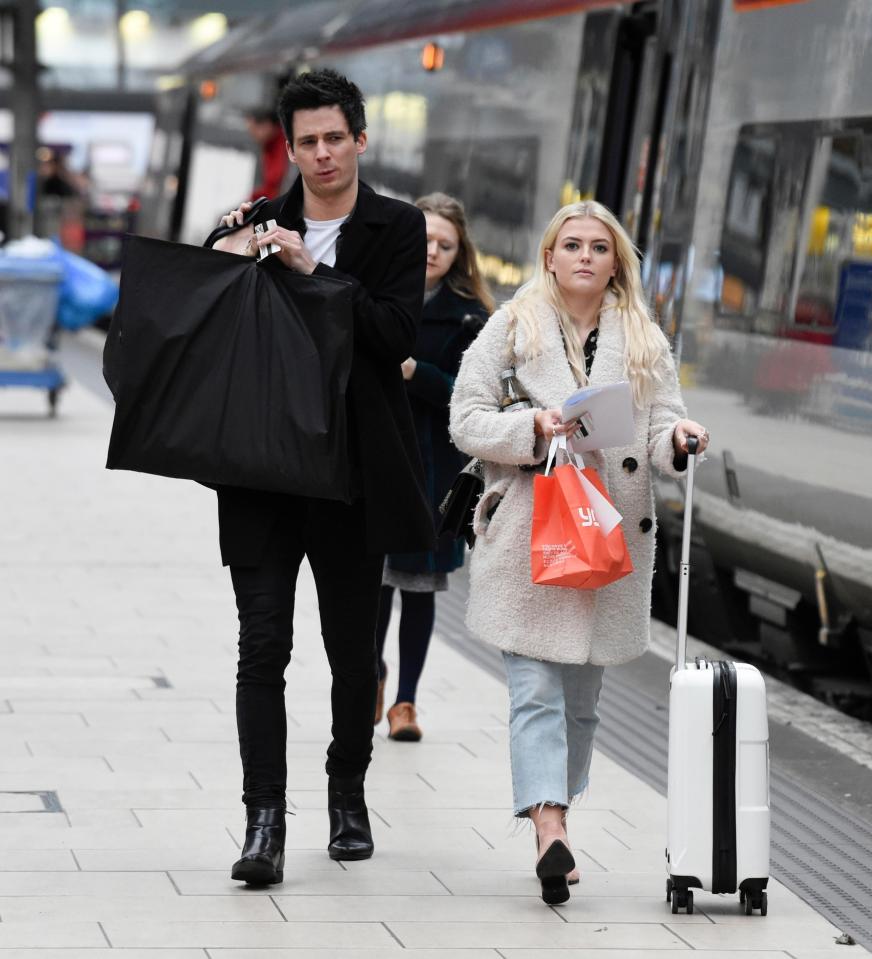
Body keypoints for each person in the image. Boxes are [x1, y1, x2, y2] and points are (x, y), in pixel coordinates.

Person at [449, 200, 709, 905]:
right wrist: (531, 426)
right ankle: (549, 826)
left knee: (581, 704)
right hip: (532, 537)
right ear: (549, 257)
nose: (586, 256)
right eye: (572, 245)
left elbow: (658, 431)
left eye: (599, 246)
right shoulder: (512, 326)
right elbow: (464, 417)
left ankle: (554, 806)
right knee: (535, 691)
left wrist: (679, 440)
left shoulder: (645, 340)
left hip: (607, 542)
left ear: (615, 261)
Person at [211, 69, 433, 886]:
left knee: (349, 651)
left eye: (334, 137)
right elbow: (214, 327)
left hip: (350, 470)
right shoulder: (259, 220)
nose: (321, 153)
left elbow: (393, 332)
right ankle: (263, 818)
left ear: (360, 139)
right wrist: (227, 251)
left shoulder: (397, 227)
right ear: (290, 147)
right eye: (306, 141)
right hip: (262, 468)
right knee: (260, 645)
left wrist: (311, 271)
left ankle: (347, 793)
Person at [375, 192, 494, 741]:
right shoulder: (375, 290)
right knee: (373, 585)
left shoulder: (471, 317)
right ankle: (370, 677)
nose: (433, 252)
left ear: (459, 251)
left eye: (445, 245)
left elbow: (470, 398)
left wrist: (415, 372)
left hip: (432, 474)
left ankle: (406, 703)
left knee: (419, 589)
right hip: (375, 463)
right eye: (425, 240)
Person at [244, 108, 289, 202]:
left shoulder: (285, 145)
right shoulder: (265, 146)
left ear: (267, 125)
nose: (252, 135)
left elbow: (277, 181)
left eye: (254, 129)